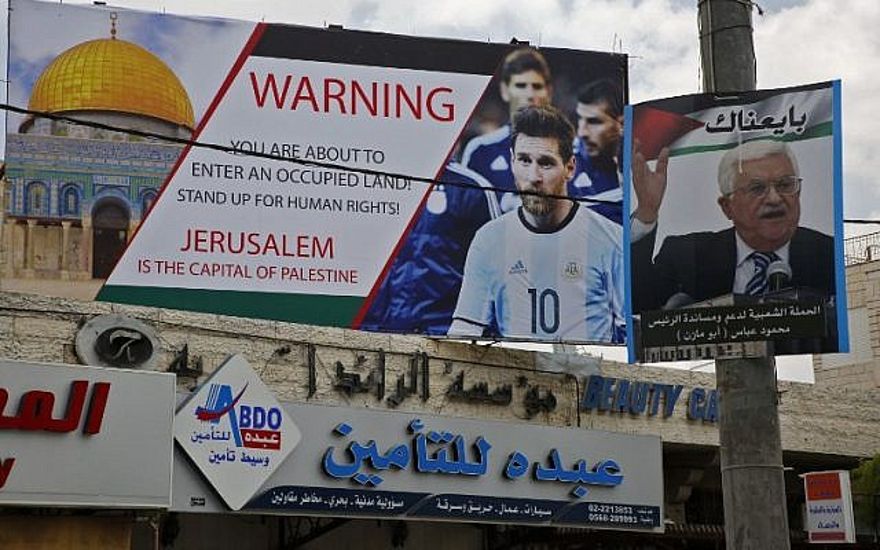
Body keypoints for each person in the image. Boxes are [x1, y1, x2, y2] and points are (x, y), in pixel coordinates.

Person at [449, 105, 624, 342]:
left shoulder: (610, 239)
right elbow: (465, 331)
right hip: (517, 377)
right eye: (524, 160)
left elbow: (630, 334)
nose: (533, 177)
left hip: (587, 376)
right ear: (512, 162)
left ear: (570, 168)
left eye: (546, 163)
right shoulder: (489, 240)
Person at [630, 139, 835, 313]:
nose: (774, 198)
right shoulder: (686, 256)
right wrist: (646, 212)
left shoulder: (827, 255)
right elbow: (641, 308)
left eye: (785, 185)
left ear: (798, 193)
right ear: (727, 207)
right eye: (757, 188)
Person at [359, 162, 501, 334]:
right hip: (374, 332)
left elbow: (498, 274)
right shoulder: (363, 179)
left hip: (441, 335)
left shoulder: (471, 188)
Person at [461, 47, 552, 212]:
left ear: (549, 92)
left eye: (537, 86)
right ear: (505, 91)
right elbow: (465, 212)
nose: (530, 94)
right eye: (521, 85)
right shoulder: (480, 150)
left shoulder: (571, 150)